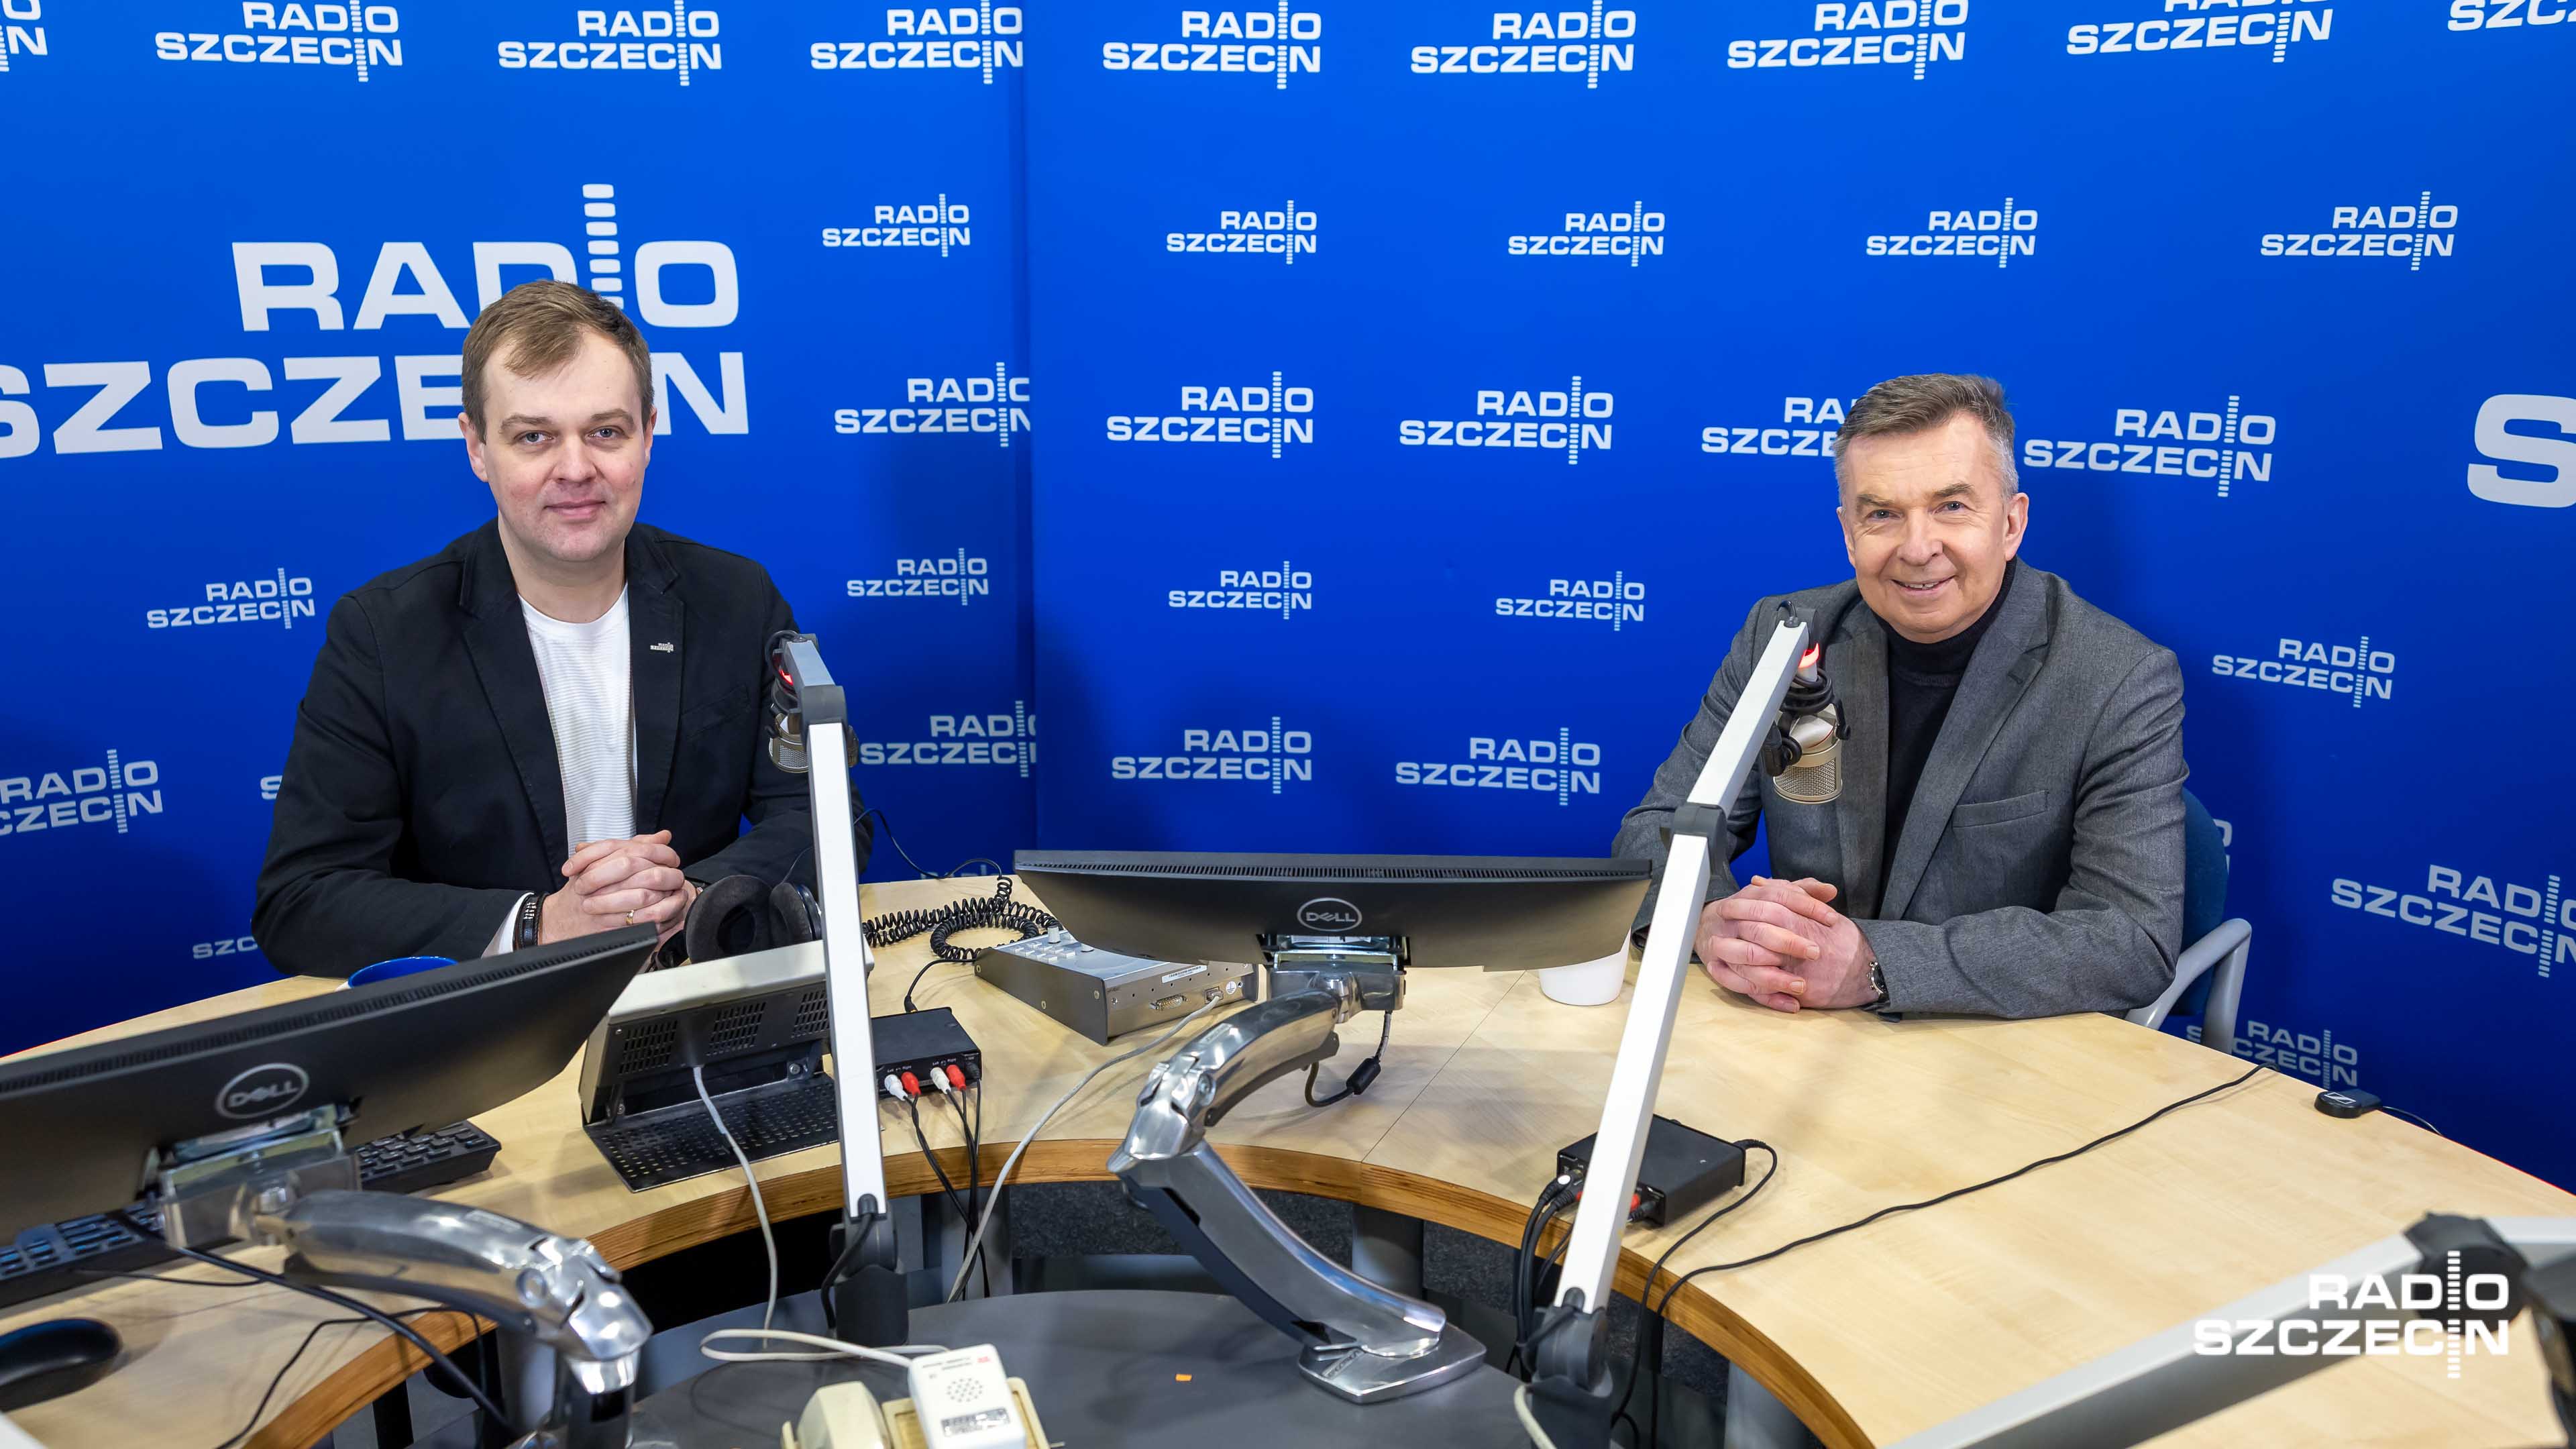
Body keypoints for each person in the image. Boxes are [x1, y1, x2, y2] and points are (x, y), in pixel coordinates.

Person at [253, 281, 866, 976]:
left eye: (605, 432)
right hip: (498, 1021)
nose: (576, 469)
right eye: (534, 437)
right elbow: (302, 899)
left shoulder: (736, 598)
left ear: (648, 436)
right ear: (477, 447)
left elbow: (827, 819)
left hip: (700, 994)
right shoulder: (382, 634)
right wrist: (539, 924)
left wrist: (692, 900)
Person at [1613, 374, 2185, 1018]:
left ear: (2011, 523)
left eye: (1952, 507)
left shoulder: (2118, 678)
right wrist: (1707, 920)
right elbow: (1659, 827)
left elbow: (2130, 937)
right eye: (1882, 514)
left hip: (1987, 1045)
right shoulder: (1782, 638)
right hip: (1793, 1025)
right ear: (1848, 532)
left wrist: (1875, 964)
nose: (1917, 549)